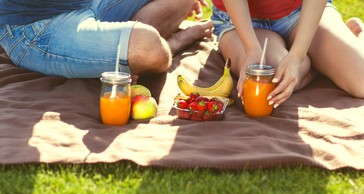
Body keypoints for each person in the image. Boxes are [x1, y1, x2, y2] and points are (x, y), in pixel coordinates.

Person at [0, 0, 213, 79]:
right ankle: (170, 44)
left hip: (87, 3)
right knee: (149, 48)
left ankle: (120, 48)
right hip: (37, 27)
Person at [211, 0, 364, 108]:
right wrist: (251, 48)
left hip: (301, 13)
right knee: (267, 88)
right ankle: (314, 63)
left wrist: (297, 55)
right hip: (241, 21)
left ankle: (357, 36)